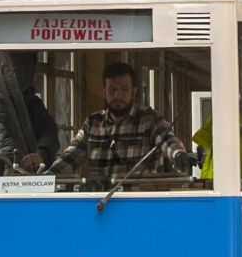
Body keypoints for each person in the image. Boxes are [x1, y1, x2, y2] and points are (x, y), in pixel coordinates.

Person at [52, 61, 192, 188]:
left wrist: (178, 154)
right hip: (101, 203)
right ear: (104, 92)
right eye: (112, 89)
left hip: (139, 204)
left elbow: (167, 139)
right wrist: (46, 178)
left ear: (134, 91)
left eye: (124, 89)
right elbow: (70, 156)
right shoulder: (92, 122)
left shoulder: (150, 119)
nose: (118, 95)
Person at [0, 58, 59, 174]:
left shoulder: (33, 102)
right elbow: (3, 140)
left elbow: (49, 130)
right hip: (7, 173)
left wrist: (41, 154)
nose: (37, 77)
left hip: (26, 173)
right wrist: (22, 162)